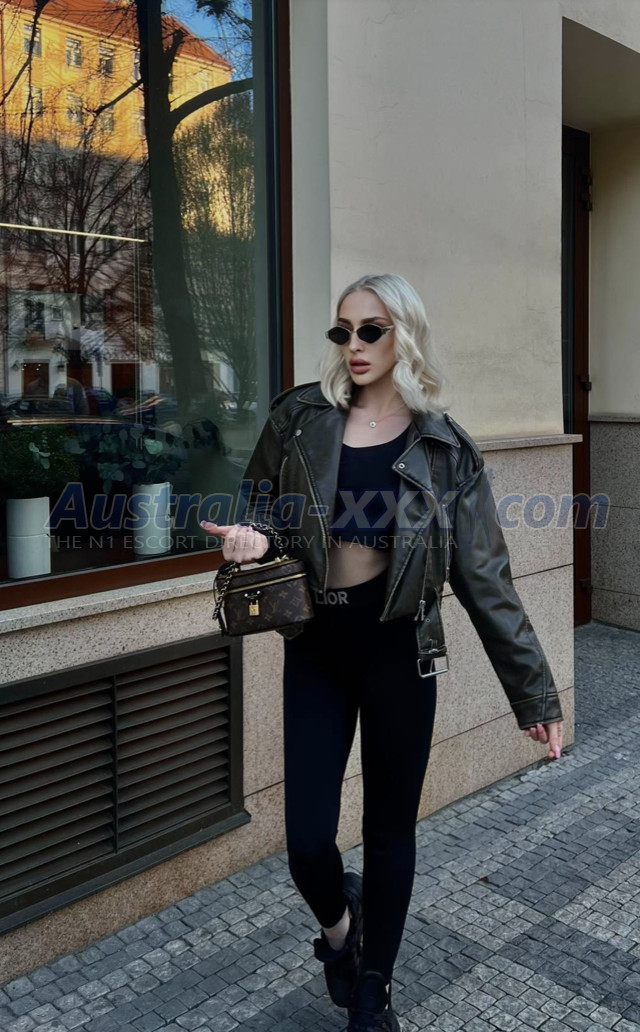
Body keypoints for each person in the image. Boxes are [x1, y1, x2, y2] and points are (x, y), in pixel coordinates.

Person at [201, 272, 564, 1032]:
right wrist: (251, 537)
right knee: (307, 842)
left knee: (389, 831)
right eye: (343, 330)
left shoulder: (444, 449)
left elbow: (487, 580)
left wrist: (533, 695)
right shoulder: (301, 417)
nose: (354, 345)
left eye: (372, 330)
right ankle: (341, 935)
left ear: (406, 333)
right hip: (317, 649)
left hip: (400, 653)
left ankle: (375, 991)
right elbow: (259, 501)